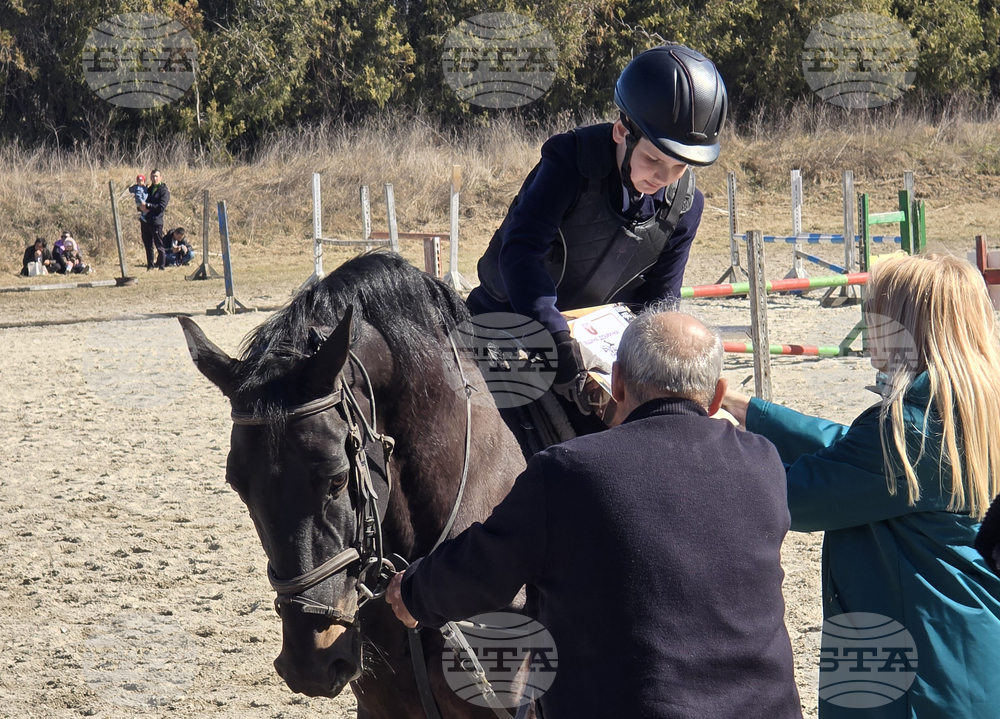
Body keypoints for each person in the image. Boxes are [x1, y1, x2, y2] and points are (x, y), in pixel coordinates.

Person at [386, 307, 802, 719]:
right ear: (716, 395)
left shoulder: (569, 470)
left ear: (616, 381)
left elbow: (484, 567)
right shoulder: (763, 462)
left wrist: (413, 594)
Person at [721, 254, 1000, 718]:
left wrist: (701, 440)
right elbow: (855, 455)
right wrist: (742, 405)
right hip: (963, 652)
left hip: (911, 674)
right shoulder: (964, 405)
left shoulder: (904, 428)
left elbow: (799, 496)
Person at [468, 43, 727, 414]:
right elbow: (521, 255)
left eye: (678, 167)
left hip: (599, 348)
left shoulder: (686, 206)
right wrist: (557, 341)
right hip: (508, 324)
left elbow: (661, 301)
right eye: (653, 159)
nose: (663, 177)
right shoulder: (567, 163)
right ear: (622, 131)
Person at [140, 169, 170, 270]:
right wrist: (140, 207)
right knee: (148, 245)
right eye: (153, 176)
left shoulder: (163, 190)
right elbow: (141, 201)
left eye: (156, 176)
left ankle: (161, 265)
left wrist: (148, 205)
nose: (154, 178)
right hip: (145, 221)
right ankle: (150, 265)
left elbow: (161, 207)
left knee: (159, 245)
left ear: (160, 178)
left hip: (156, 221)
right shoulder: (148, 189)